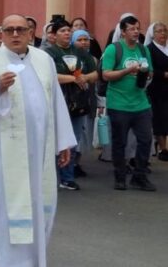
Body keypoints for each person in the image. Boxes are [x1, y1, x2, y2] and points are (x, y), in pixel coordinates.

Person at [0, 14, 76, 267]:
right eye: (9, 30)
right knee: (11, 206)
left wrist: (63, 142)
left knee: (39, 203)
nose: (15, 34)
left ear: (30, 33)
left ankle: (36, 261)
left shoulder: (44, 59)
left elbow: (55, 101)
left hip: (41, 149)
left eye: (20, 29)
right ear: (2, 35)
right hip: (7, 152)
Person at [101, 15, 155, 191]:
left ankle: (139, 176)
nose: (136, 32)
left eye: (138, 28)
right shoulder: (114, 49)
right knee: (120, 142)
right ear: (123, 32)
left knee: (145, 140)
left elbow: (151, 72)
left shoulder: (143, 50)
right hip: (119, 104)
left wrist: (145, 73)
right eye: (132, 29)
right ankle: (120, 176)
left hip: (141, 103)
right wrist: (128, 70)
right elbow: (106, 75)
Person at [45, 21, 98, 189]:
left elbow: (95, 73)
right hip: (57, 100)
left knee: (72, 140)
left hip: (78, 101)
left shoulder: (80, 52)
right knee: (53, 139)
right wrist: (74, 79)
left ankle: (67, 177)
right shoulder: (49, 53)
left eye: (69, 30)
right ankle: (50, 176)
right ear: (54, 35)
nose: (67, 33)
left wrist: (84, 77)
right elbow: (48, 75)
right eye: (62, 30)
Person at [147, 22, 168, 162]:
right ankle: (163, 149)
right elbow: (150, 69)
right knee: (160, 118)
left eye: (165, 30)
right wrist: (164, 74)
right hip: (157, 89)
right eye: (159, 31)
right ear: (153, 34)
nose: (163, 33)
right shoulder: (150, 49)